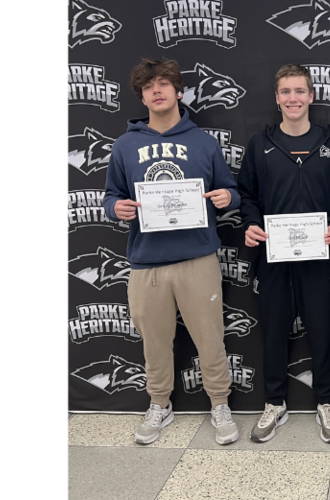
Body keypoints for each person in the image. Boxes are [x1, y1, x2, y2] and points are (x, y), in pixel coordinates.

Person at [103, 58, 241, 446]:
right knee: (154, 342)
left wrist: (226, 197)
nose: (156, 91)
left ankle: (219, 403)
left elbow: (231, 191)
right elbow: (111, 196)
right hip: (146, 262)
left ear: (179, 91)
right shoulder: (125, 145)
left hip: (197, 258)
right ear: (142, 96)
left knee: (210, 338)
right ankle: (159, 403)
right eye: (148, 86)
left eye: (163, 83)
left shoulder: (203, 142)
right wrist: (116, 208)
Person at [237, 64, 330, 444]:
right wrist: (251, 223)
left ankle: (327, 402)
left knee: (323, 330)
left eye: (300, 91)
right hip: (274, 255)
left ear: (311, 96)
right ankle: (274, 403)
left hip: (318, 255)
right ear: (276, 98)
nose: (293, 98)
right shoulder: (260, 144)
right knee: (273, 330)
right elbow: (247, 195)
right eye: (285, 91)